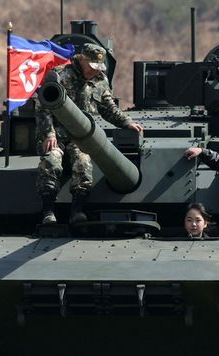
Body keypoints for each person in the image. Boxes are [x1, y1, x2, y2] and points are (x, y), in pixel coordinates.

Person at [36, 43, 144, 224]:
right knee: (51, 161)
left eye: (98, 68)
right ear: (82, 60)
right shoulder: (60, 75)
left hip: (82, 137)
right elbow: (43, 106)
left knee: (84, 163)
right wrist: (49, 133)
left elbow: (108, 108)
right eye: (93, 66)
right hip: (57, 133)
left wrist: (127, 123)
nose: (95, 71)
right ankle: (48, 211)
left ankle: (76, 211)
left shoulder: (100, 81)